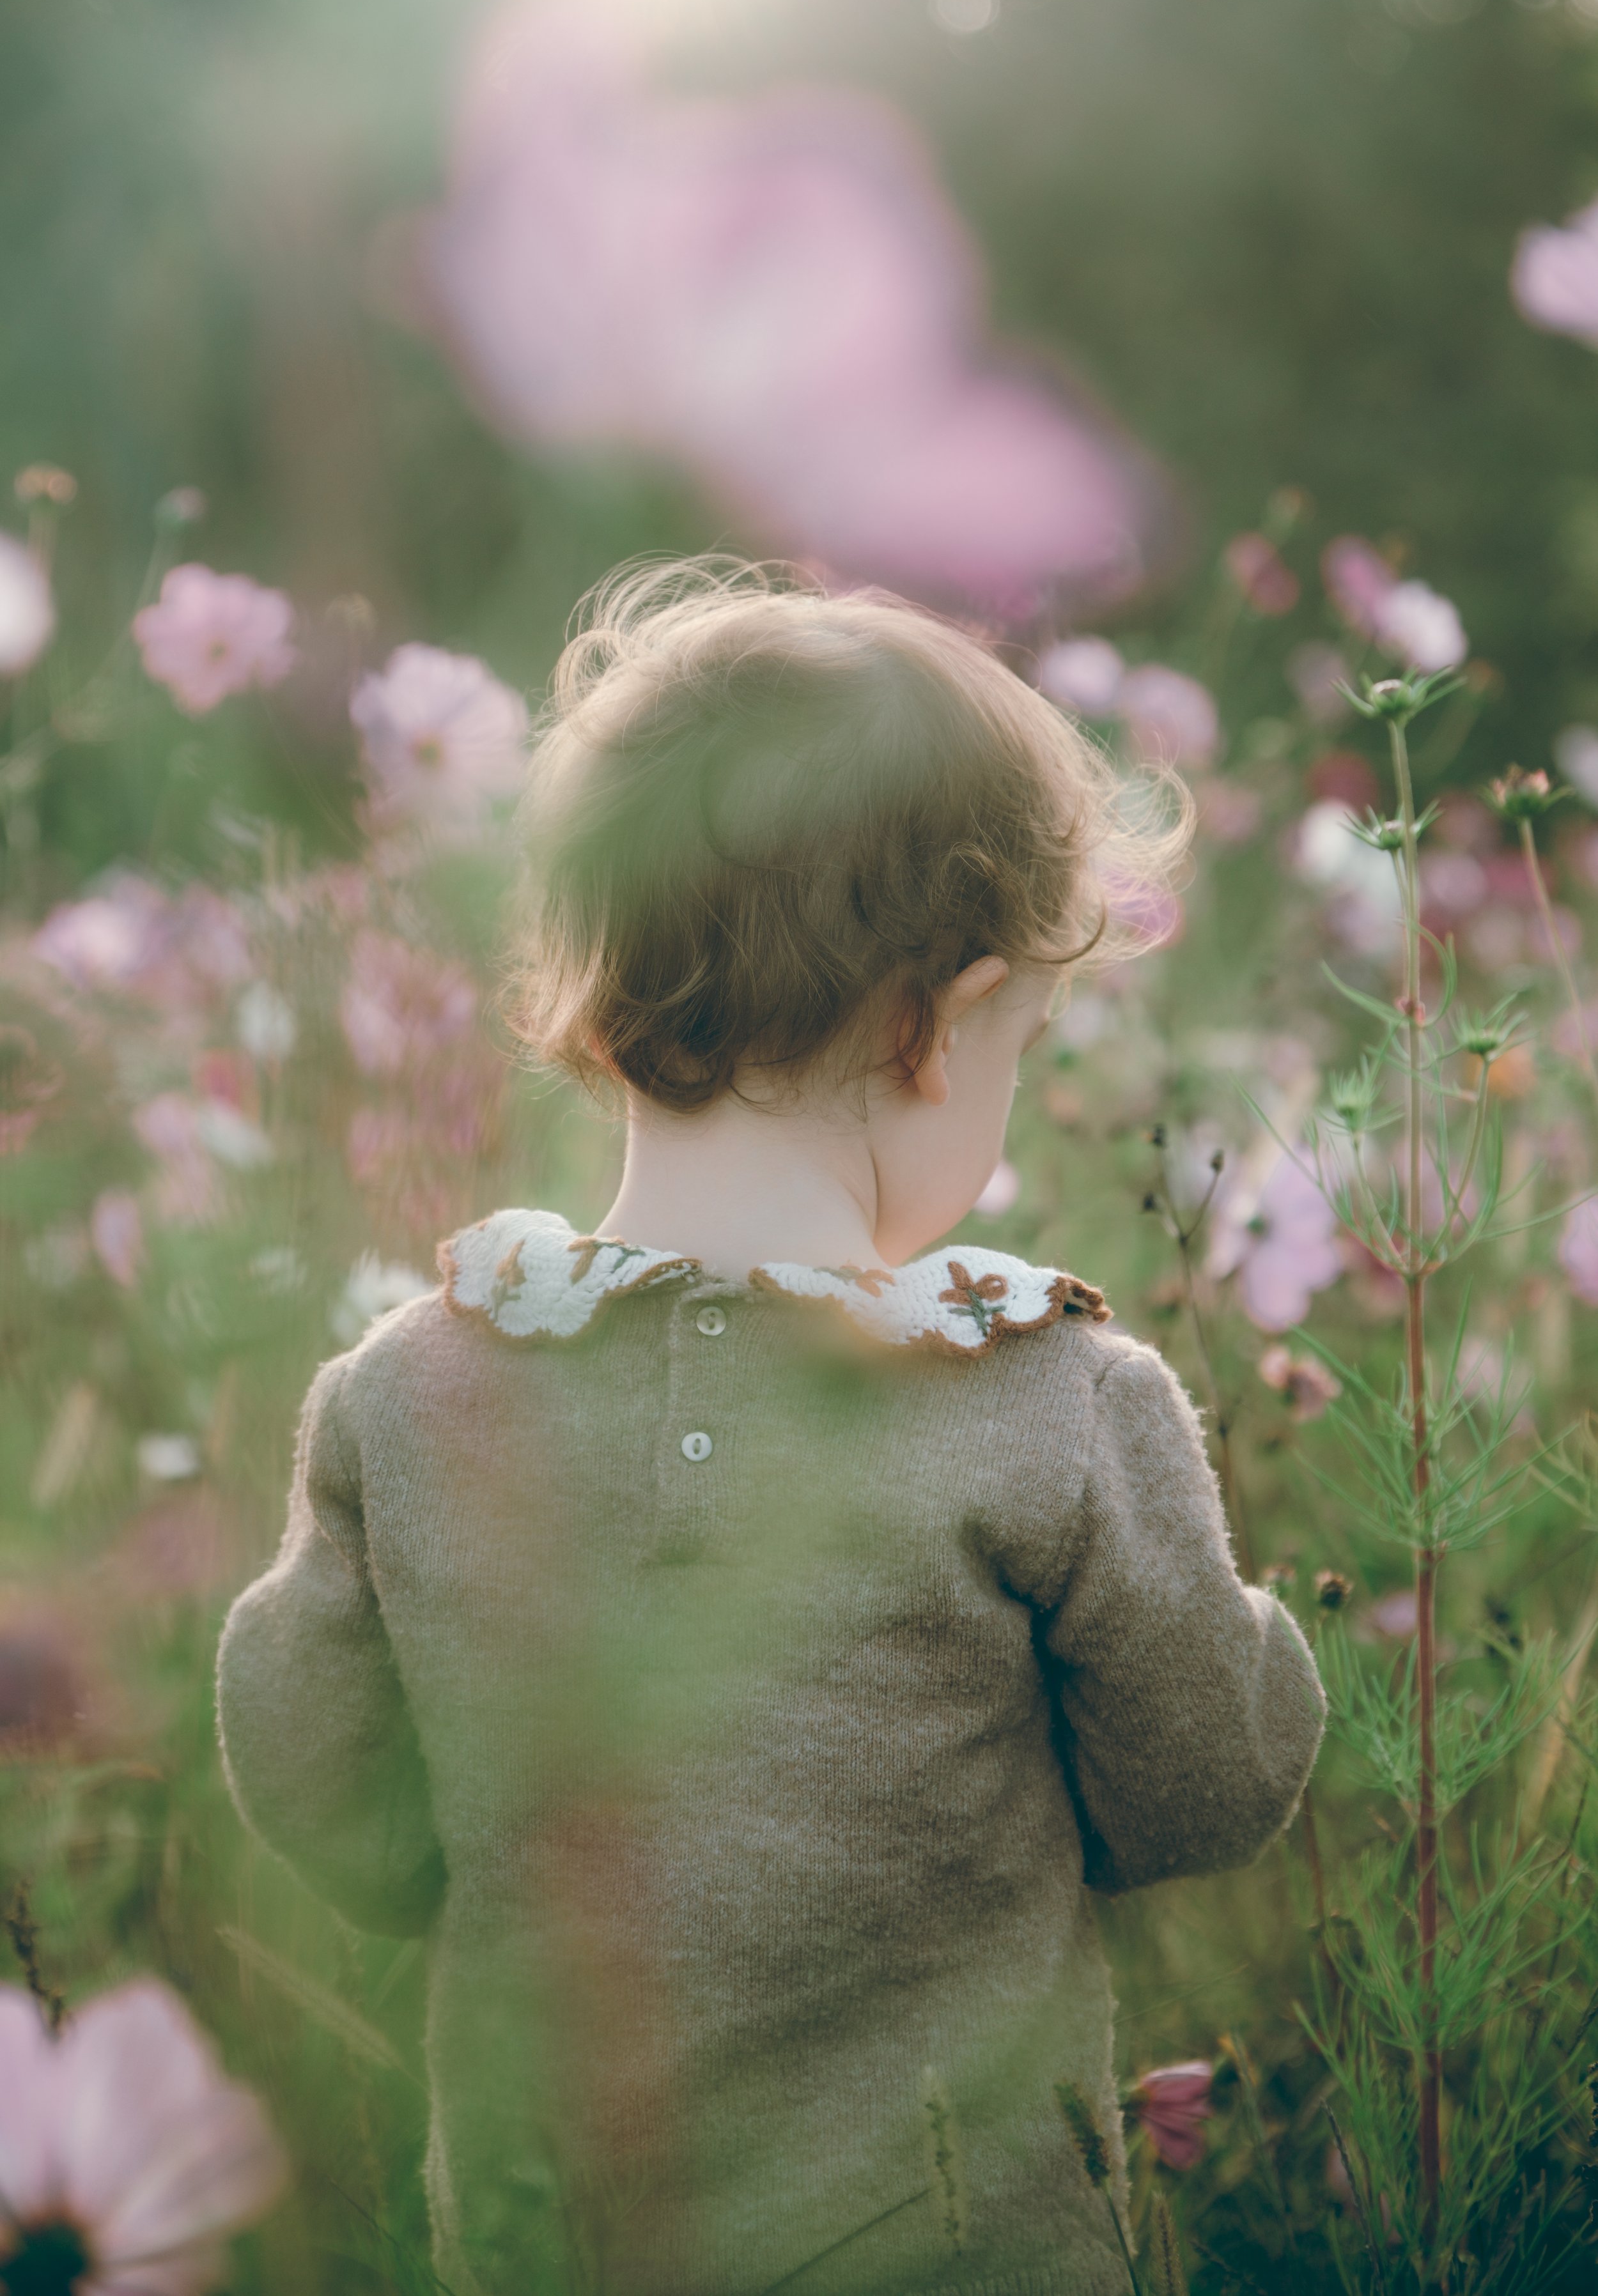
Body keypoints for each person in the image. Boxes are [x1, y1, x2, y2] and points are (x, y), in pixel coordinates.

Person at [217, 559, 1324, 2296]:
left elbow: (329, 1795)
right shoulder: (1052, 1398)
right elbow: (1201, 1789)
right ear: (937, 1024)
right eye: (1023, 1038)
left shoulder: (414, 1393)